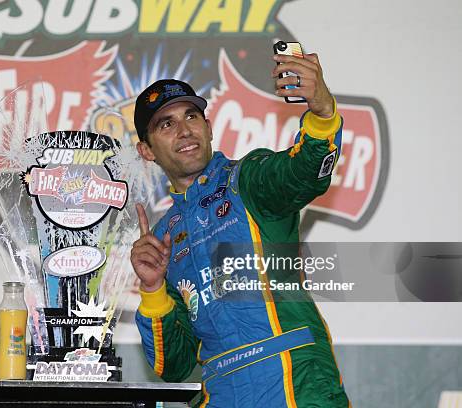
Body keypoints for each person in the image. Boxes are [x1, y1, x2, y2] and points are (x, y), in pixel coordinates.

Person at [130, 52, 350, 407]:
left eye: (191, 116)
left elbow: (303, 175)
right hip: (223, 393)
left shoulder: (248, 178)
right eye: (165, 124)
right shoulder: (163, 239)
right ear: (146, 150)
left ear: (209, 126)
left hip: (295, 384)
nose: (184, 129)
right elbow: (175, 366)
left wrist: (322, 115)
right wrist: (153, 289)